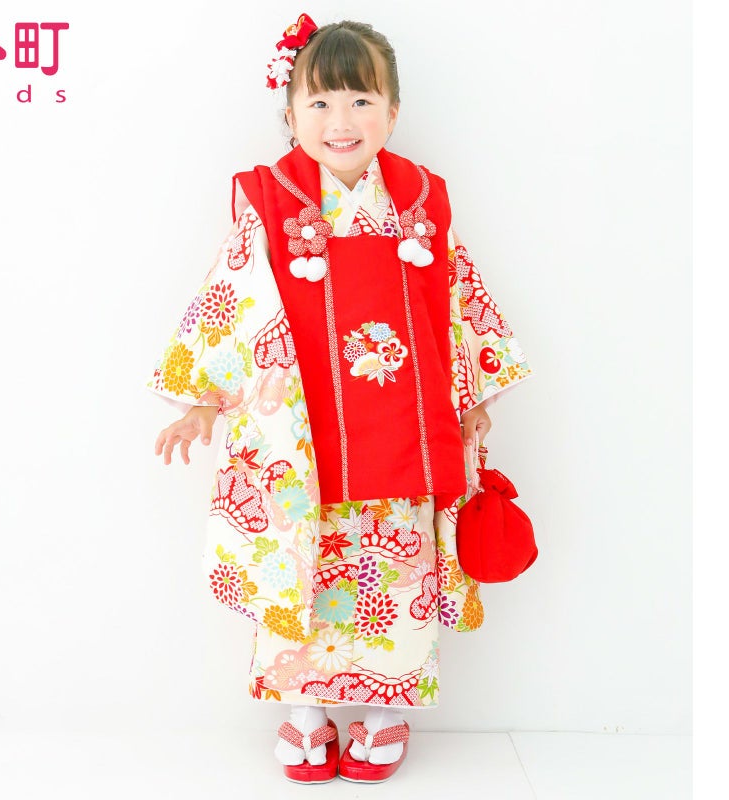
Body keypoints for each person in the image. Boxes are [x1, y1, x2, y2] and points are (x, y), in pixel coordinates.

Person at [148, 12, 532, 784]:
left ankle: (385, 712)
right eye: (319, 102)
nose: (341, 120)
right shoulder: (270, 199)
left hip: (403, 430)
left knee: (394, 570)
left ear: (393, 110)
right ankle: (304, 711)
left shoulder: (421, 200)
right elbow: (234, 299)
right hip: (303, 436)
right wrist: (204, 399)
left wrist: (470, 391)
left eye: (361, 100)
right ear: (289, 114)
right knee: (302, 567)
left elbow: (454, 301)